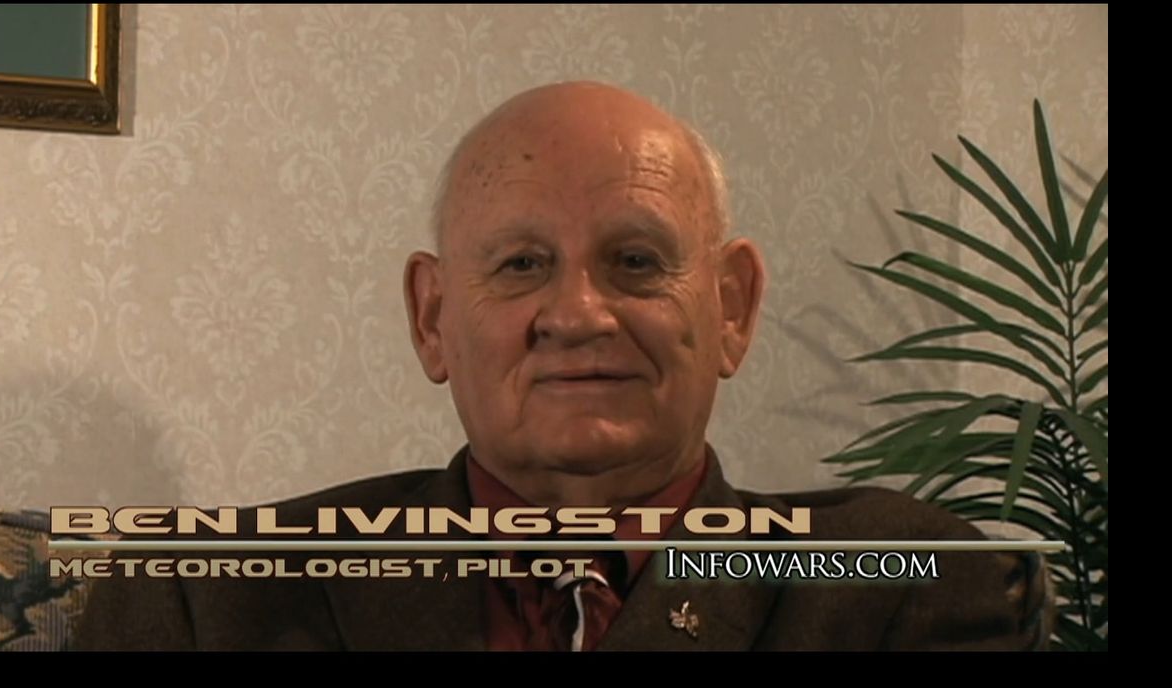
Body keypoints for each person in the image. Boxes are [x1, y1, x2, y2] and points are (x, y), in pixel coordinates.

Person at [72, 81, 1049, 651]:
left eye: (636, 261)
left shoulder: (902, 584)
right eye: (520, 264)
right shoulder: (199, 597)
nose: (578, 313)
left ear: (731, 308)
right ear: (432, 318)